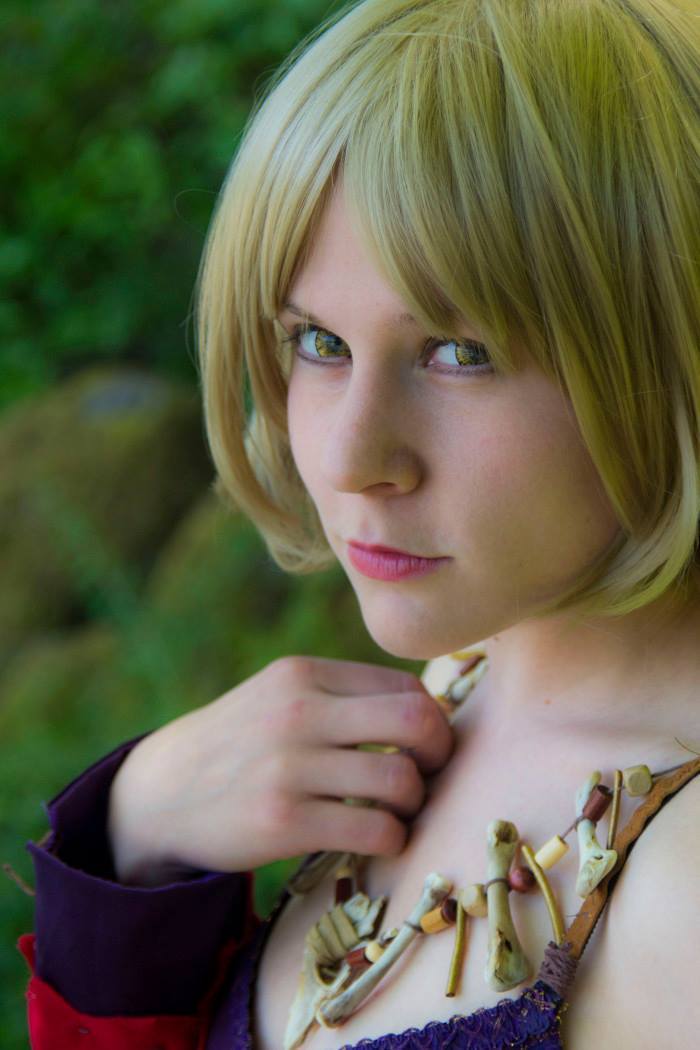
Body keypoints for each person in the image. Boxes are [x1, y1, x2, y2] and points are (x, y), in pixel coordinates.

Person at [17, 0, 700, 1047]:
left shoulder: (681, 900)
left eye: (460, 353)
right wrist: (139, 838)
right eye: (319, 341)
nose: (346, 458)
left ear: (669, 354)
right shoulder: (455, 682)